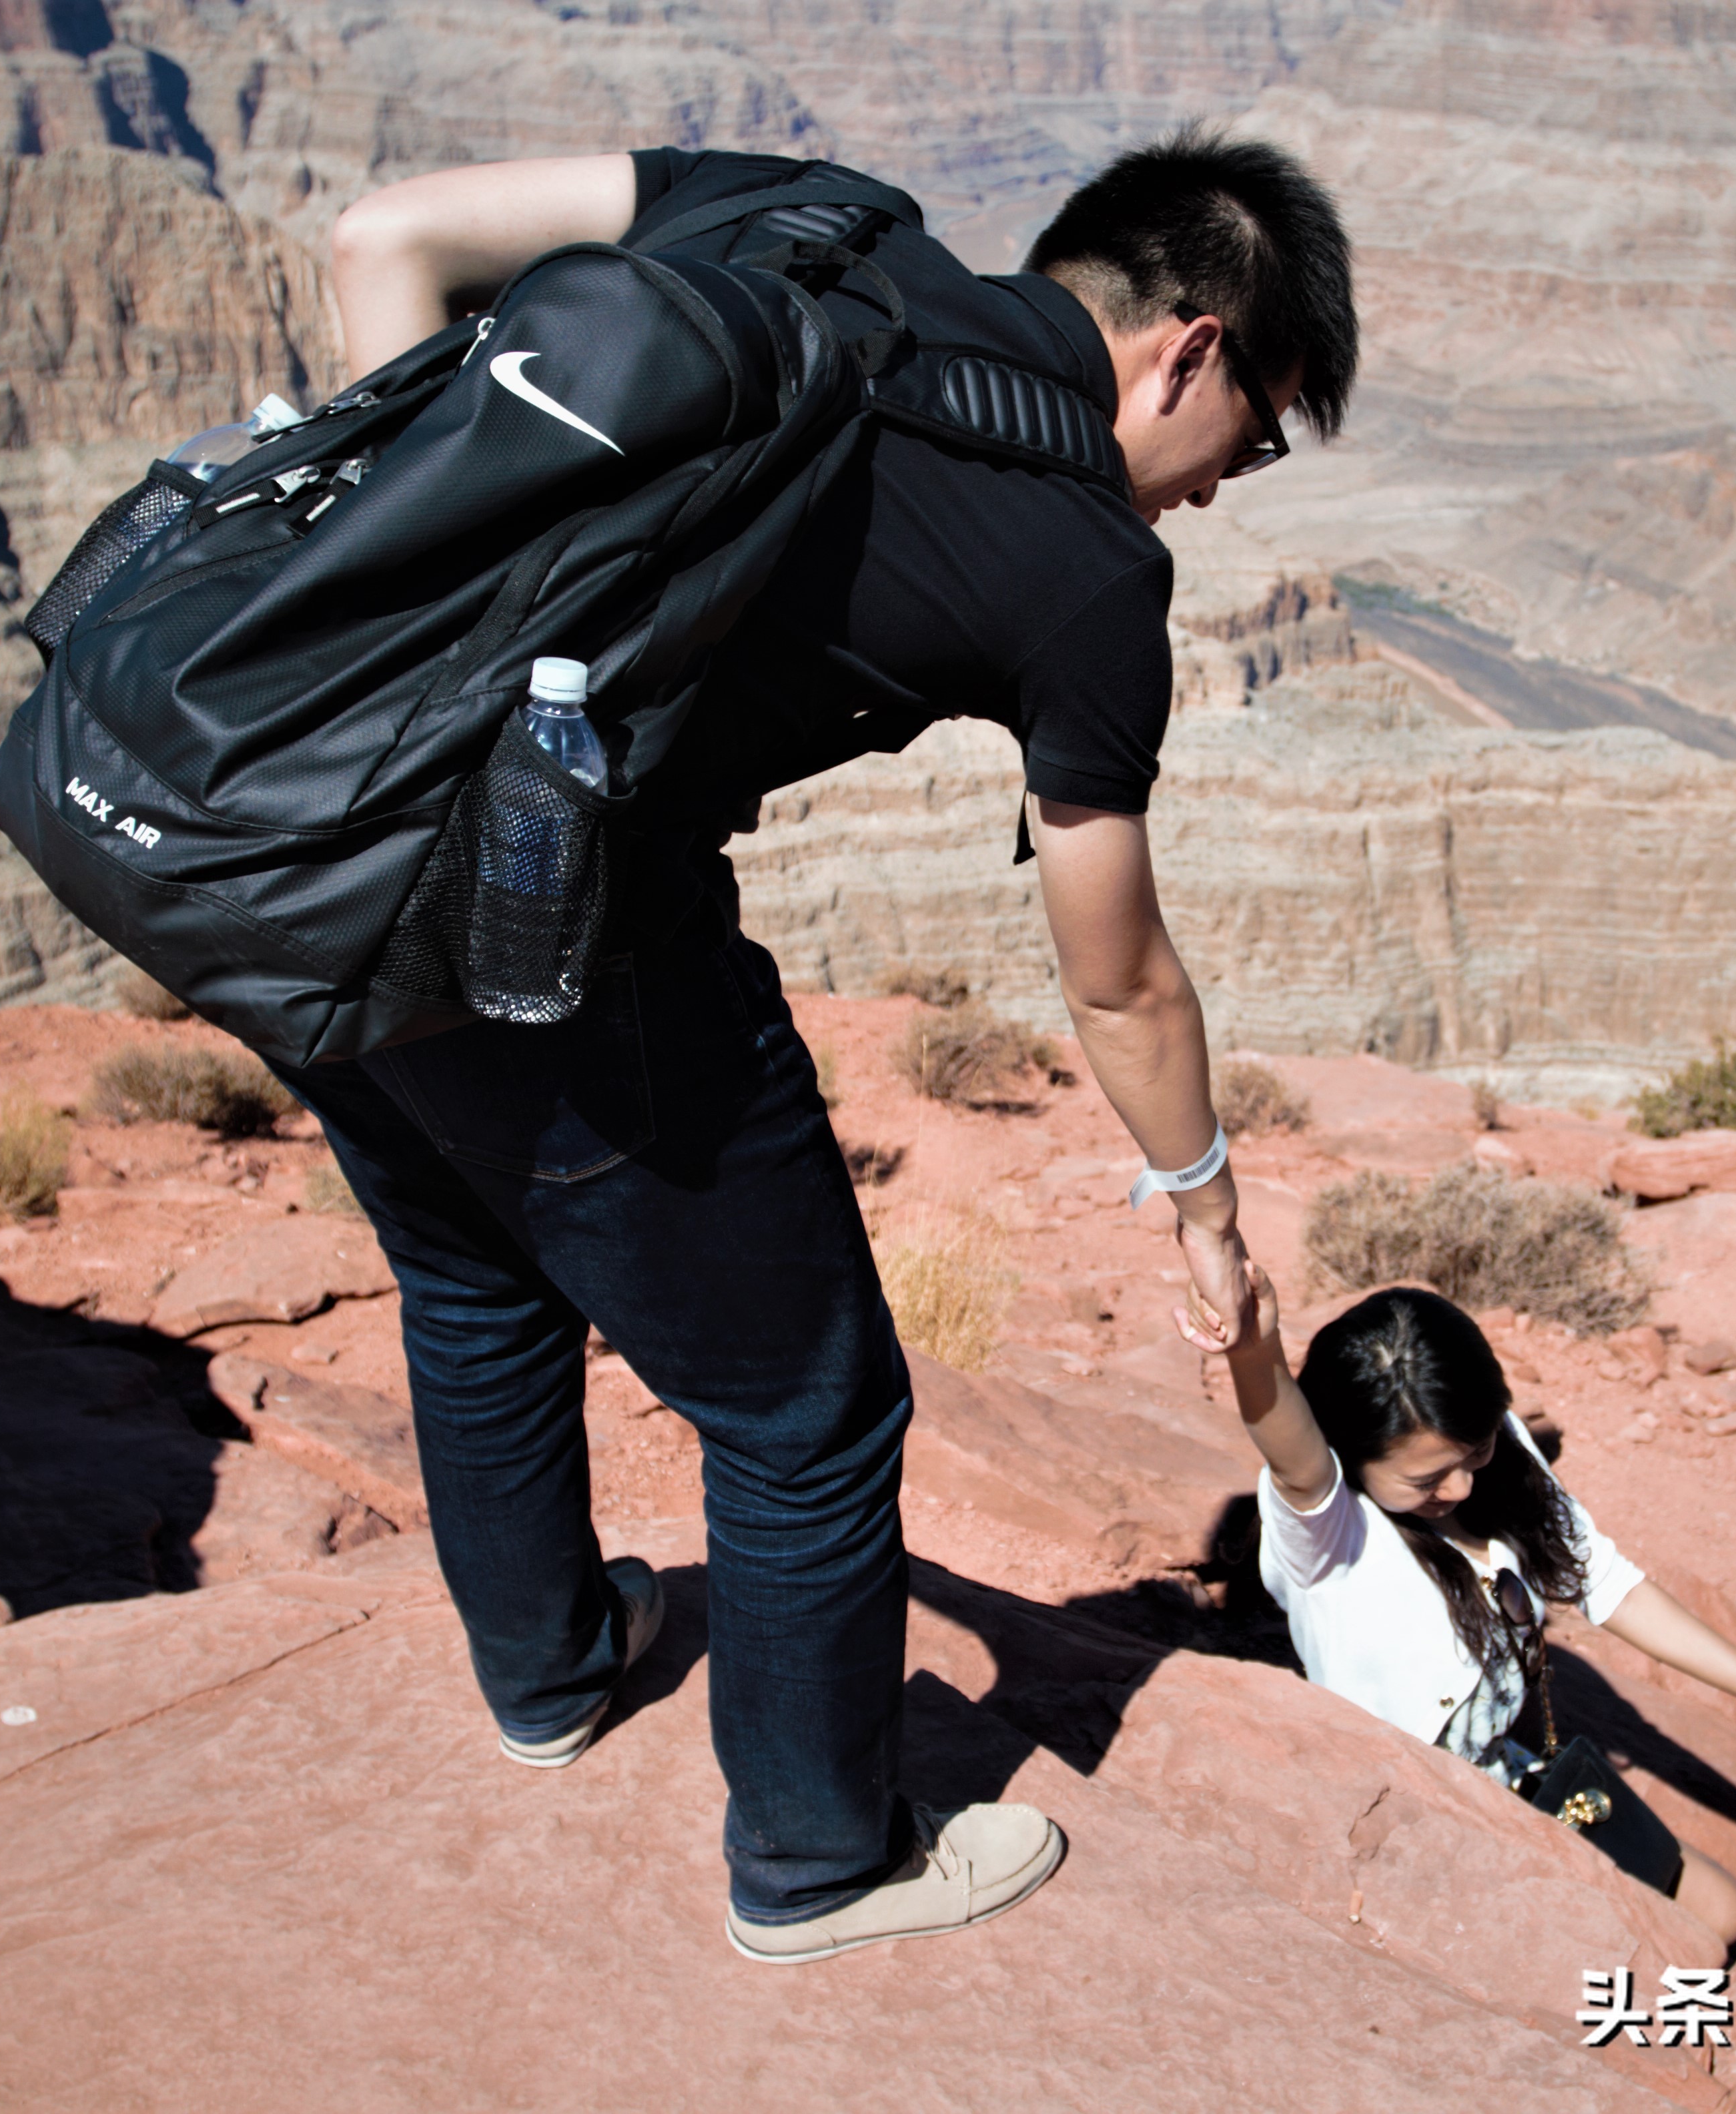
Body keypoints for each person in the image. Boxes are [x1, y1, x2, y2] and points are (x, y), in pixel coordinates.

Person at [272, 132, 1356, 1965]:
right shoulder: (1091, 573)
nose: (1223, 491)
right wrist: (1201, 1211)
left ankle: (549, 1676)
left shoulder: (810, 215)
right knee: (811, 1413)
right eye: (1247, 440)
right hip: (575, 927)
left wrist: (405, 580)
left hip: (319, 833)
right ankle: (816, 1861)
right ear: (1188, 345)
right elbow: (1120, 982)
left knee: (475, 1267)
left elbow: (387, 234)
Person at [1180, 1271, 1736, 1944]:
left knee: (1722, 1911)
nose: (1463, 1488)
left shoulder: (1492, 1447)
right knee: (1672, 1959)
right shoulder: (1331, 1536)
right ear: (1353, 1460)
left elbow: (1608, 1582)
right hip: (1408, 1817)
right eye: (1428, 1478)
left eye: (1471, 1456)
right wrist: (1255, 1349)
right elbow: (1291, 1447)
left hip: (1508, 1778)